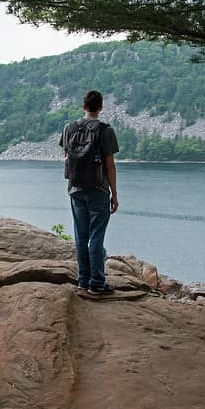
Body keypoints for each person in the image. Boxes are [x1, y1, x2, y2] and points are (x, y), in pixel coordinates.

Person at [59, 90, 119, 295]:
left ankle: (83, 281)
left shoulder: (70, 128)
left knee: (81, 236)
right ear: (101, 107)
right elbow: (110, 166)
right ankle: (97, 283)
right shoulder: (105, 130)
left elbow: (67, 156)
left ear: (83, 106)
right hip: (98, 190)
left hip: (75, 189)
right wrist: (115, 194)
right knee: (96, 237)